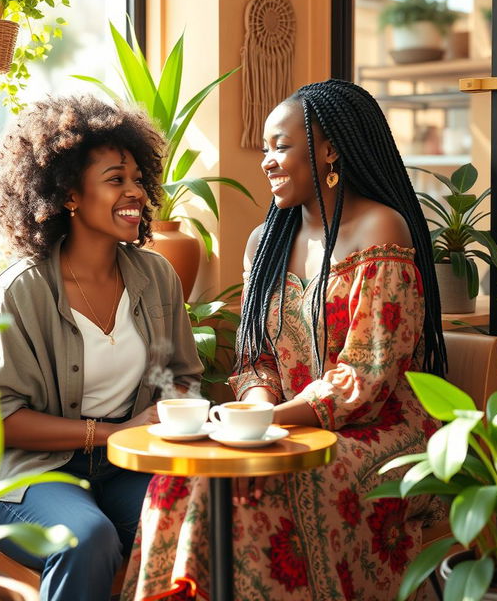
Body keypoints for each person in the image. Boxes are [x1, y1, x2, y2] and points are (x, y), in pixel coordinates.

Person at [120, 79, 446, 601]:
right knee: (181, 479)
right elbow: (256, 360)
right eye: (266, 148)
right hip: (284, 425)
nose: (267, 160)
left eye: (282, 145)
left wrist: (270, 425)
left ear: (330, 148)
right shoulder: (264, 242)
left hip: (376, 429)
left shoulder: (381, 229)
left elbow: (366, 376)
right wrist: (256, 415)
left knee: (267, 491)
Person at [0, 94, 203, 601]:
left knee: (194, 514)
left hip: (128, 466)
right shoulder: (21, 291)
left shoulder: (156, 276)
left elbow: (179, 373)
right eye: (116, 179)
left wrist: (169, 408)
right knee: (86, 538)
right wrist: (114, 433)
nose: (135, 191)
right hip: (34, 473)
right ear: (70, 193)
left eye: (139, 178)